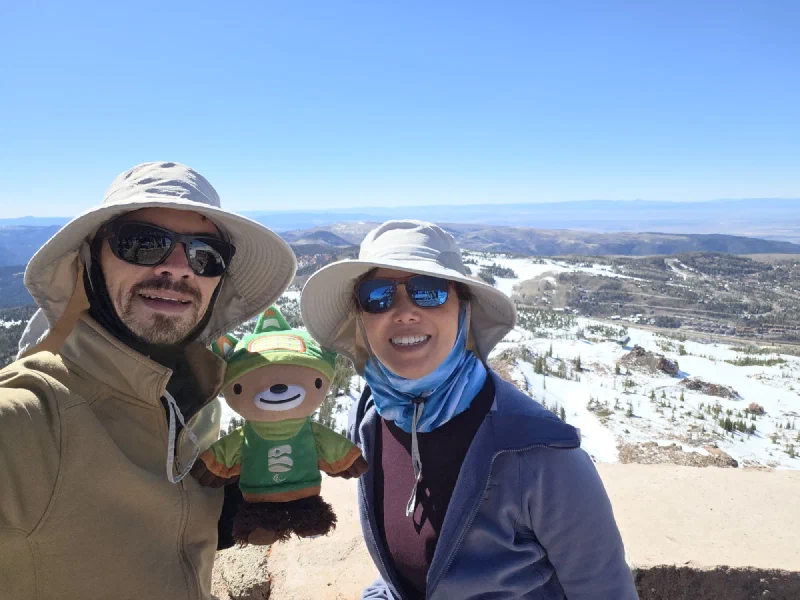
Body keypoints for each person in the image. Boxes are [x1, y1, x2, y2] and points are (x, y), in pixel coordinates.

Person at [0, 162, 296, 600]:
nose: (179, 268)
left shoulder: (190, 396)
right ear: (89, 261)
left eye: (206, 255)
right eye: (143, 243)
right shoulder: (32, 417)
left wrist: (222, 517)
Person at [301, 220, 638, 599]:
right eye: (377, 296)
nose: (404, 311)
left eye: (428, 292)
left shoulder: (538, 450)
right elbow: (412, 572)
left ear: (465, 309)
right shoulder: (370, 419)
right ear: (361, 318)